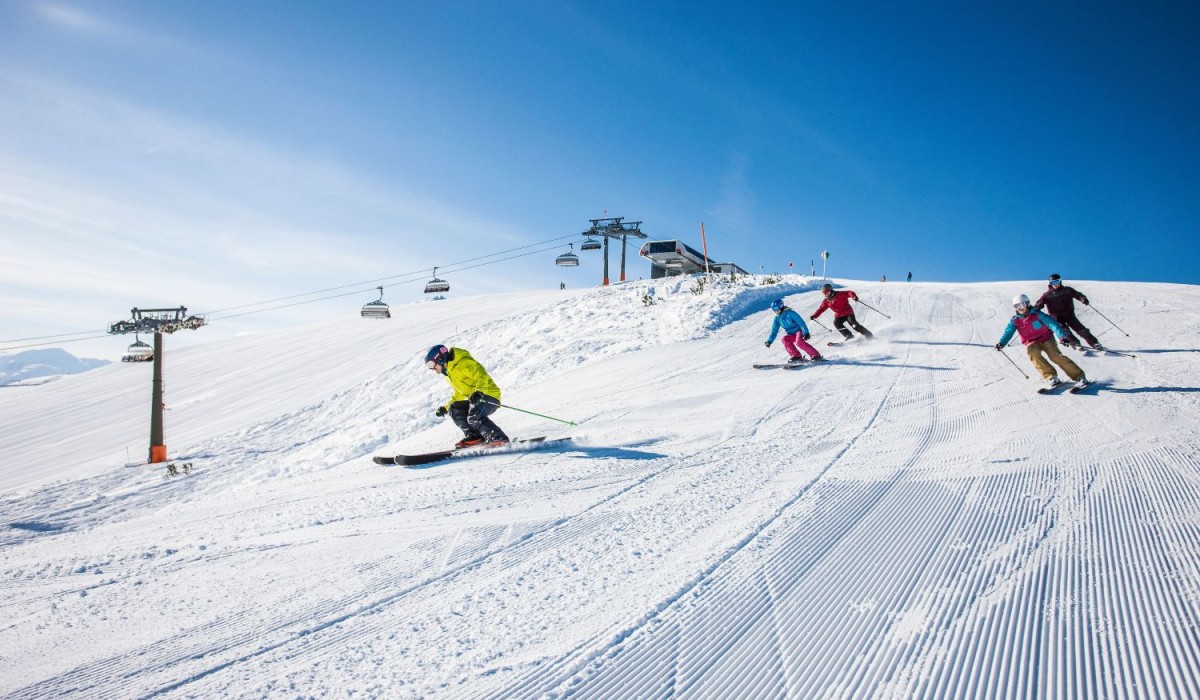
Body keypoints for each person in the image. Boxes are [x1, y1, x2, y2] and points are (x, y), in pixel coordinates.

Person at [424, 345, 510, 449]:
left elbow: (480, 374)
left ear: (440, 358)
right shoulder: (450, 373)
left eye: (432, 364)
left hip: (489, 395)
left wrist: (479, 392)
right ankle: (475, 436)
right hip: (477, 398)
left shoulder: (462, 362)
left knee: (474, 415)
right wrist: (445, 408)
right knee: (454, 408)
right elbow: (459, 393)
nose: (432, 368)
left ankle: (498, 437)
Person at [995, 294, 1089, 389]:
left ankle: (1079, 377)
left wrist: (1062, 337)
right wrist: (1001, 343)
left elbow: (1053, 324)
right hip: (1031, 342)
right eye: (1016, 306)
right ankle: (1051, 376)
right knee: (1032, 353)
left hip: (1046, 338)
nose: (1020, 308)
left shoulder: (1037, 314)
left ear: (1027, 303)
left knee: (1055, 356)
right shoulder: (1015, 320)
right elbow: (1008, 332)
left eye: (1021, 304)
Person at [1034, 274, 1103, 350]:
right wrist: (1036, 308)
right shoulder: (1047, 295)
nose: (1055, 285)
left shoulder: (1067, 290)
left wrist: (1083, 299)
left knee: (1080, 329)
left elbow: (1077, 294)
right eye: (1053, 283)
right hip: (1057, 317)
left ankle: (1094, 343)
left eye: (1056, 282)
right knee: (1065, 331)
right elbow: (1040, 303)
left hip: (1069, 314)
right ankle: (1076, 344)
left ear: (1060, 281)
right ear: (1050, 283)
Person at [765, 299, 825, 364]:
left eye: (776, 308)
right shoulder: (777, 318)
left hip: (799, 331)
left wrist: (806, 332)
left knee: (798, 342)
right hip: (791, 334)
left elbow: (801, 323)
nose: (775, 311)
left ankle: (816, 355)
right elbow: (774, 331)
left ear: (781, 306)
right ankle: (796, 356)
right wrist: (769, 341)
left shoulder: (791, 313)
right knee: (784, 339)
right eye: (774, 309)